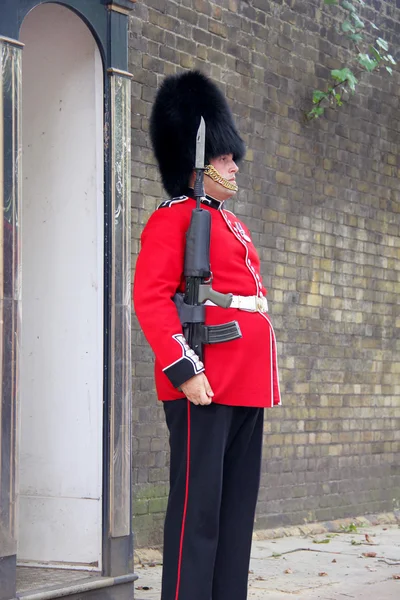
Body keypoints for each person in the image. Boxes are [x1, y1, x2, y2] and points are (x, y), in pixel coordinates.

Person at [133, 70, 281, 600]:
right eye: (223, 158)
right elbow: (152, 298)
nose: (234, 164)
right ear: (198, 164)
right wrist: (184, 370)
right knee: (199, 515)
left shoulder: (229, 222)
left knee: (235, 516)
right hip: (205, 380)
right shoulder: (174, 219)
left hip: (243, 384)